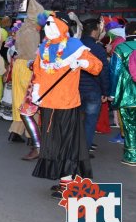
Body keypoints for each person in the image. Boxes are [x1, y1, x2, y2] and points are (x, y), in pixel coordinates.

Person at [31, 13, 102, 199]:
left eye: (52, 23)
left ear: (62, 26)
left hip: (67, 105)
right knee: (53, 144)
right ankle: (63, 179)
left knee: (67, 146)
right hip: (47, 104)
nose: (48, 27)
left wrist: (83, 61)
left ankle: (68, 184)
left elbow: (97, 66)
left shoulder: (74, 46)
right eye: (47, 23)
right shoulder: (44, 47)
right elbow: (38, 72)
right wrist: (36, 92)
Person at [10, 0, 44, 159]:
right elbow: (33, 54)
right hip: (28, 67)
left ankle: (15, 132)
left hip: (19, 66)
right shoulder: (32, 32)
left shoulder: (23, 28)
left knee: (20, 100)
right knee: (31, 101)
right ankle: (32, 136)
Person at [79, 19, 110, 157]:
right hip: (93, 89)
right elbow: (104, 72)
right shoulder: (98, 48)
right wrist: (106, 91)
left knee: (77, 120)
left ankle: (75, 146)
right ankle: (84, 149)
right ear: (94, 30)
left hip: (75, 89)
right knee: (90, 121)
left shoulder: (75, 45)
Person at [110, 21, 136, 166]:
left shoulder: (121, 48)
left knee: (129, 125)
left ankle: (132, 156)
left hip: (128, 94)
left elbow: (114, 72)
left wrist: (112, 93)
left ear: (127, 32)